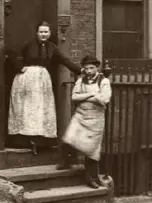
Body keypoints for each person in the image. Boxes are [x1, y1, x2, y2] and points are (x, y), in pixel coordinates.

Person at [8, 21, 82, 155]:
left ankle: (40, 140)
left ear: (49, 33)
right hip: (27, 80)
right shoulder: (28, 44)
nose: (43, 34)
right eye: (41, 32)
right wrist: (20, 67)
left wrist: (79, 70)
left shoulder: (52, 47)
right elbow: (11, 54)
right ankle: (25, 140)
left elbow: (64, 60)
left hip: (43, 80)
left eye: (46, 32)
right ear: (37, 33)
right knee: (28, 108)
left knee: (42, 108)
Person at [59, 55, 112, 188]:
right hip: (80, 116)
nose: (88, 71)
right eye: (86, 68)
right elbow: (74, 97)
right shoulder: (80, 81)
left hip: (96, 118)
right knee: (69, 137)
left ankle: (92, 178)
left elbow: (104, 99)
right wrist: (92, 95)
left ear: (97, 68)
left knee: (92, 149)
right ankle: (67, 161)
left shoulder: (103, 81)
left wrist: (86, 98)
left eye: (91, 68)